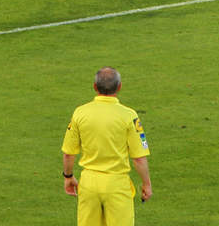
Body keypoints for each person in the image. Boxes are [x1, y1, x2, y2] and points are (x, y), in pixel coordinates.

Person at [61, 67, 152, 225]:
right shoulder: (129, 116)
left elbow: (69, 153)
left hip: (88, 184)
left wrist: (68, 177)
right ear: (119, 87)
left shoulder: (80, 113)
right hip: (117, 184)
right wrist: (146, 184)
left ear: (95, 87)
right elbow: (139, 159)